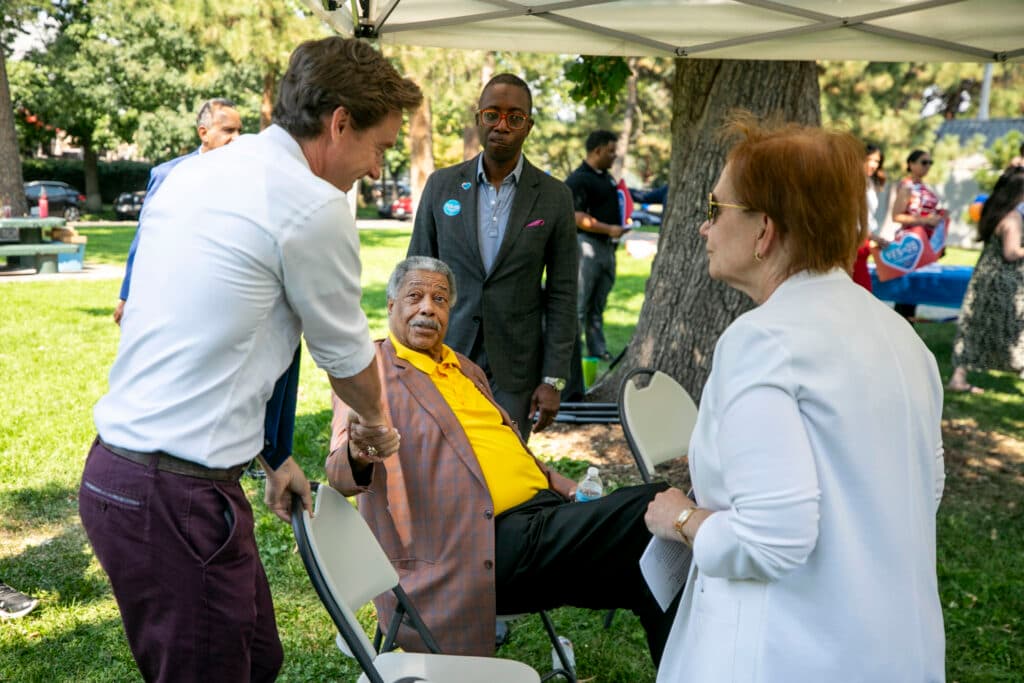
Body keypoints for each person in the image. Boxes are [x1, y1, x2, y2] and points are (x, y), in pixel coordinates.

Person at [79, 37, 420, 682]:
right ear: (339, 122)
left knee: (259, 659)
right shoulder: (313, 206)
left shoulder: (199, 171)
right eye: (379, 147)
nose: (378, 168)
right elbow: (347, 359)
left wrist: (274, 452)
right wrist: (378, 429)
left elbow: (230, 330)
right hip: (174, 494)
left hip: (131, 476)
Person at [645, 114, 945, 682]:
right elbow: (921, 491)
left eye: (716, 210)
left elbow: (770, 540)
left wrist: (681, 517)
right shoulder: (900, 337)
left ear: (765, 230)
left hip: (787, 652)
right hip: (895, 646)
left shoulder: (763, 341)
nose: (703, 229)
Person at [327, 256, 676, 663]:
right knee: (651, 508)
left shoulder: (464, 368)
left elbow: (508, 449)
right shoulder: (371, 370)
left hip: (541, 518)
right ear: (390, 305)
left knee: (651, 570)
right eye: (415, 296)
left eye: (440, 299)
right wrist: (360, 448)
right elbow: (339, 472)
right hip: (480, 544)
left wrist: (563, 484)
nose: (428, 308)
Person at [407, 74, 577, 441]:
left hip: (515, 366)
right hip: (446, 352)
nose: (502, 125)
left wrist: (553, 379)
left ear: (528, 126)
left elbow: (563, 294)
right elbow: (416, 274)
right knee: (444, 457)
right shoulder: (442, 185)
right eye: (492, 114)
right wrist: (409, 354)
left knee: (505, 463)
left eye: (515, 117)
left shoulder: (554, 197)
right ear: (478, 119)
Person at [113, 98, 242, 325]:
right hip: (176, 296)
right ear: (204, 133)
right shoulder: (168, 174)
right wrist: (127, 295)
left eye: (240, 131)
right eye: (228, 130)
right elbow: (144, 237)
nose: (237, 138)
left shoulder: (249, 174)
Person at [949, 166, 1024, 393]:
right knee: (1017, 327)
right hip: (1006, 281)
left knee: (974, 325)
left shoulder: (992, 211)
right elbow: (1011, 253)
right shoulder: (1012, 217)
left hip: (984, 275)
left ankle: (957, 377)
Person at [566, 130, 627, 362]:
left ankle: (597, 349)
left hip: (607, 248)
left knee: (598, 304)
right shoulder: (579, 179)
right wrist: (608, 229)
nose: (614, 156)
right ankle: (572, 353)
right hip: (586, 247)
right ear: (597, 150)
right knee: (580, 304)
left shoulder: (607, 177)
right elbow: (575, 215)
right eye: (611, 151)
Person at [891, 148, 945, 319]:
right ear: (911, 164)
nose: (927, 166)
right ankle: (901, 331)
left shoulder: (923, 187)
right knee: (905, 294)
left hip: (925, 244)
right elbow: (897, 216)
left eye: (930, 163)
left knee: (914, 292)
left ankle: (907, 330)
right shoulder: (907, 187)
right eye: (923, 162)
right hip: (910, 244)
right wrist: (925, 221)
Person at [852, 143, 888, 291]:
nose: (873, 165)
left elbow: (867, 217)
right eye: (870, 159)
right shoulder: (853, 182)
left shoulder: (871, 183)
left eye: (877, 161)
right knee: (860, 288)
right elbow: (853, 218)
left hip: (865, 240)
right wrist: (875, 238)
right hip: (853, 241)